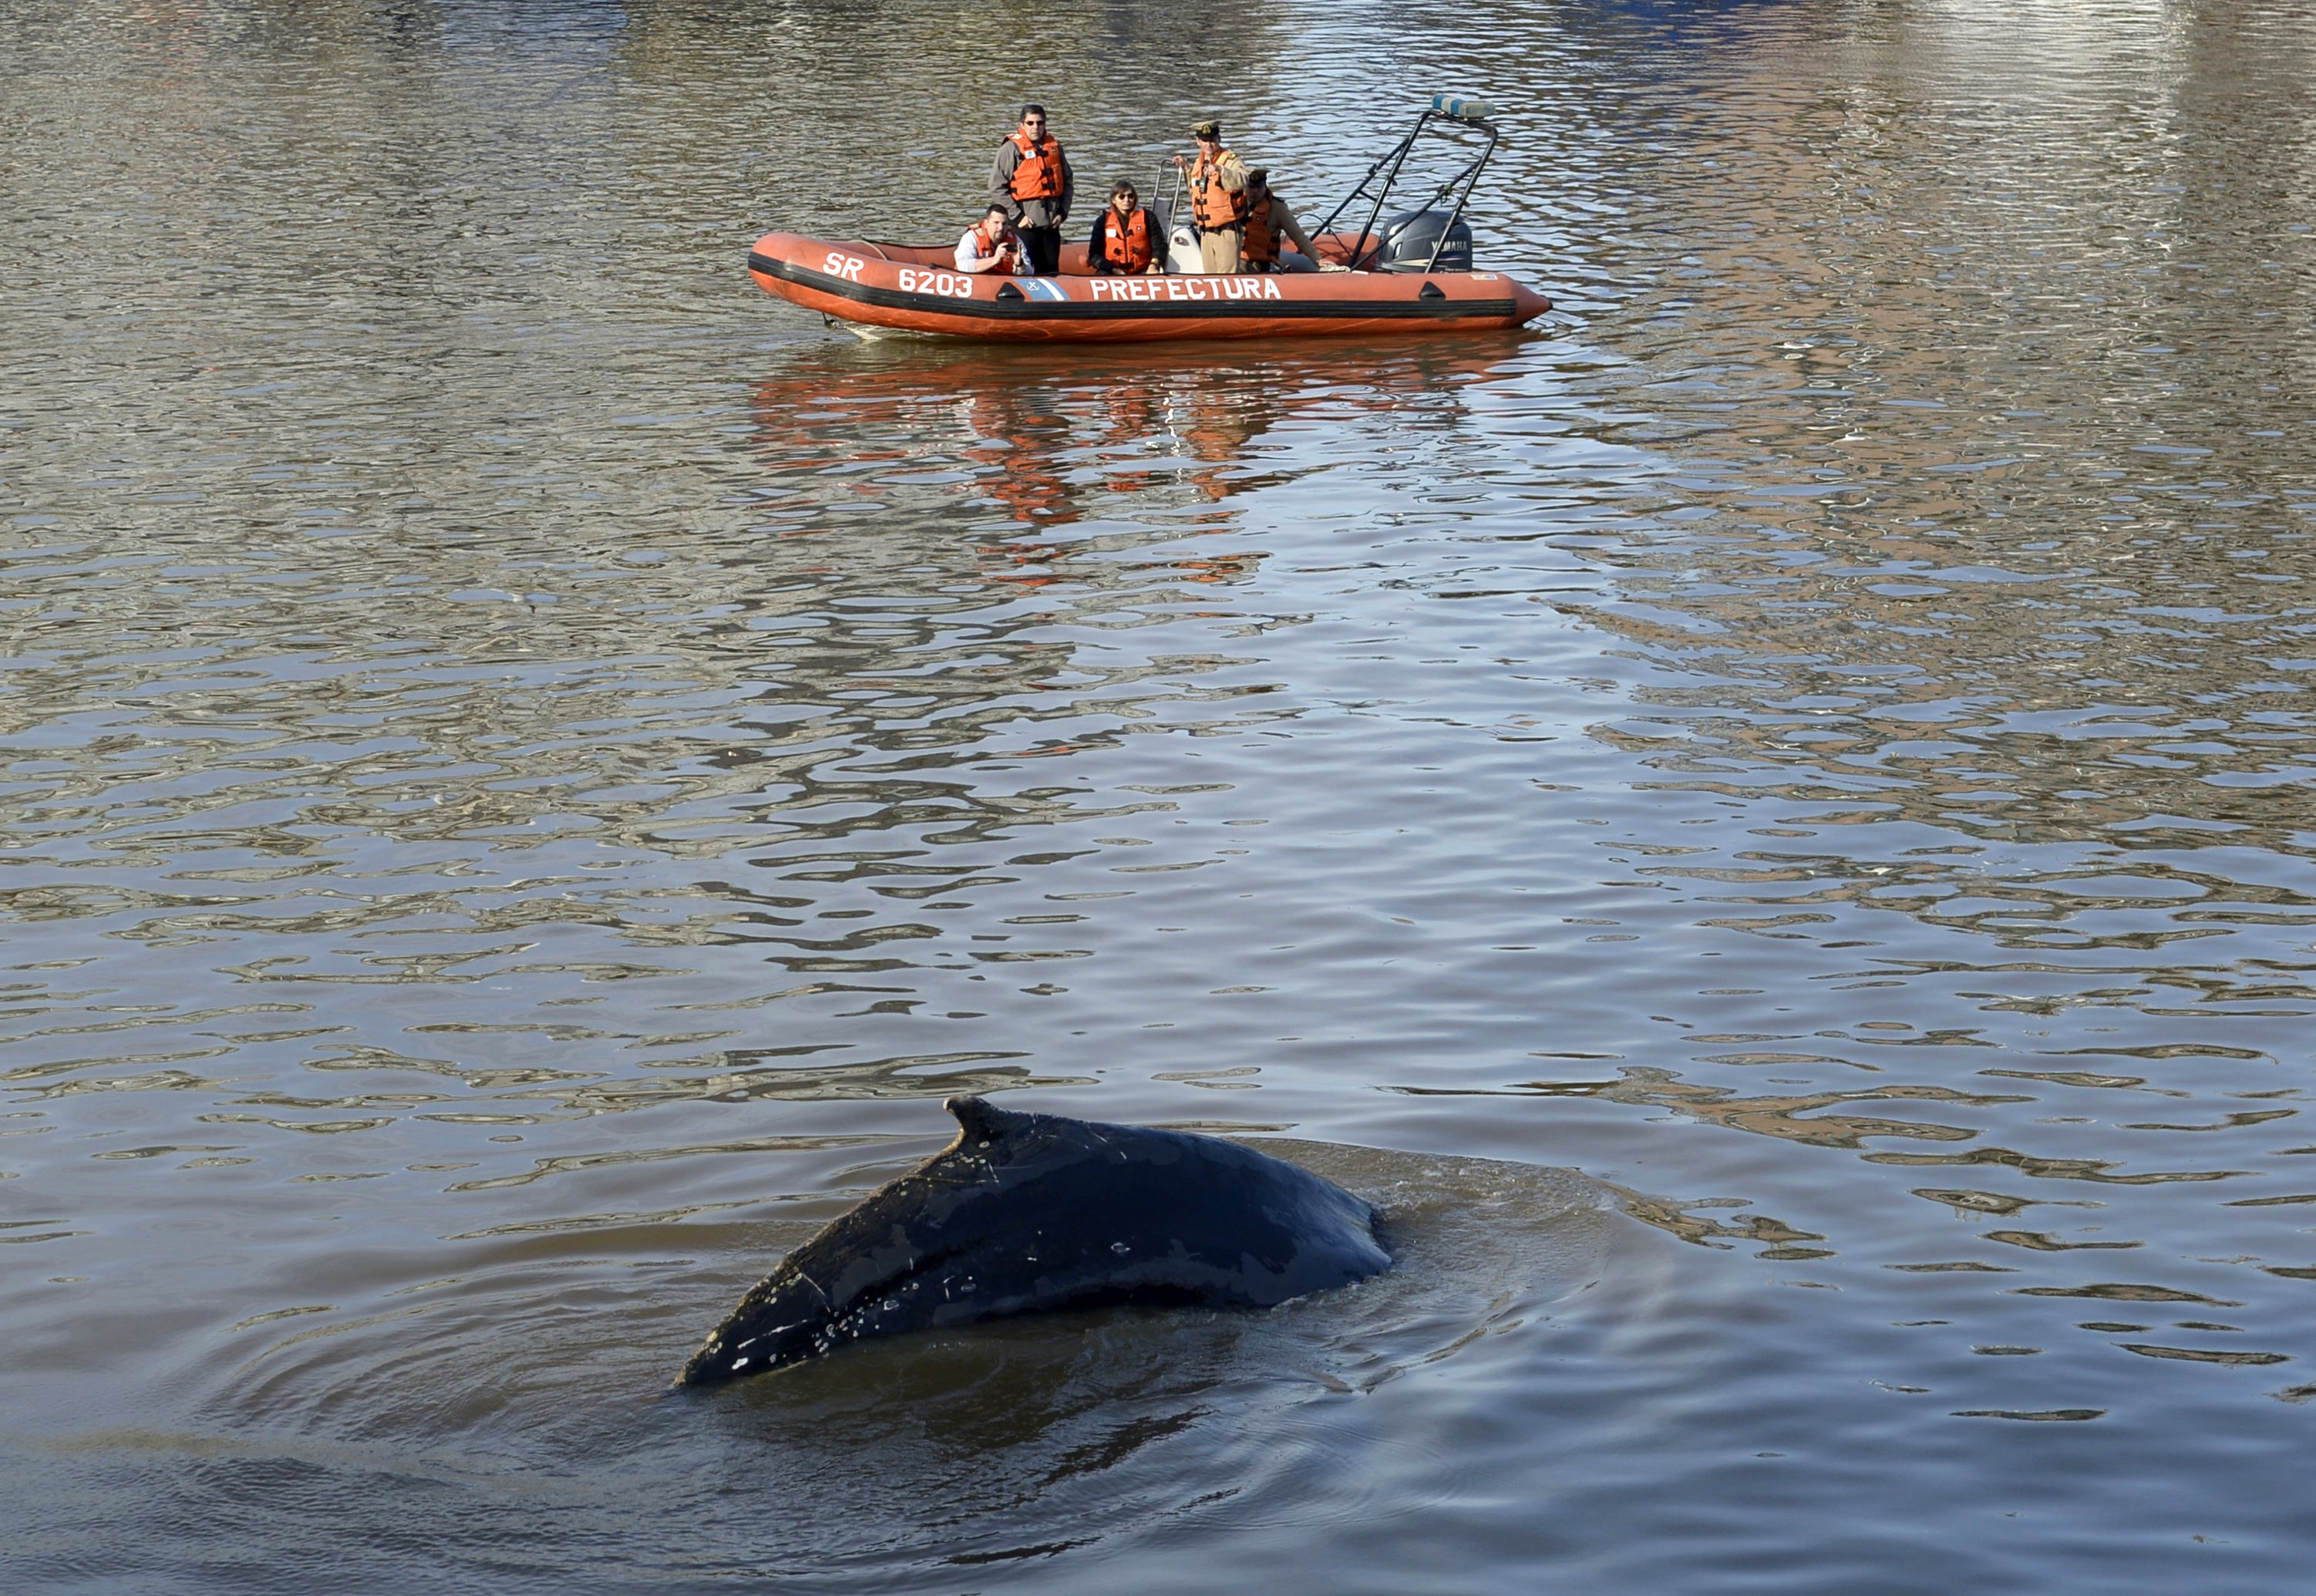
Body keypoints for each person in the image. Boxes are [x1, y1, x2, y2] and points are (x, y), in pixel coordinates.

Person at [988, 103, 1072, 276]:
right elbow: (996, 187)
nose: (1036, 127)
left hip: (1051, 226)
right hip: (1024, 226)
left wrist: (1063, 212)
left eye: (1040, 123)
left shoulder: (1055, 148)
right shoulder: (1010, 149)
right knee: (1025, 271)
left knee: (1051, 271)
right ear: (1022, 124)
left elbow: (1068, 181)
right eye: (1031, 123)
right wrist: (1018, 216)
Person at [1170, 118, 1247, 274]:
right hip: (1206, 232)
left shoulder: (1230, 159)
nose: (1208, 145)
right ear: (1198, 142)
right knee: (1210, 277)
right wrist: (1186, 169)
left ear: (1219, 139)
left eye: (1212, 140)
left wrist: (1221, 171)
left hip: (1226, 231)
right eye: (1204, 141)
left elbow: (1243, 179)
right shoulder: (1199, 163)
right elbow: (1196, 190)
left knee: (1226, 279)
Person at [1239, 168, 1326, 272]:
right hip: (1239, 259)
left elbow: (1298, 236)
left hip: (1265, 264)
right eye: (1251, 187)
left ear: (1265, 187)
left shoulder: (1277, 208)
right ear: (1244, 187)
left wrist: (1317, 259)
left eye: (1259, 187)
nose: (1255, 191)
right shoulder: (1236, 204)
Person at [1088, 178, 1163, 275]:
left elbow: (1159, 246)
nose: (1127, 200)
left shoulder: (1148, 218)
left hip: (1142, 270)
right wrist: (1113, 270)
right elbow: (1094, 255)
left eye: (1130, 196)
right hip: (1111, 271)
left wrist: (1153, 265)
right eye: (1122, 197)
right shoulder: (1102, 221)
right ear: (1114, 200)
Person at [955, 205, 1026, 274]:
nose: (1001, 228)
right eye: (996, 223)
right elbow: (963, 266)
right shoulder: (971, 237)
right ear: (986, 223)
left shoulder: (1016, 241)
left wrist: (1020, 264)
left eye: (1004, 224)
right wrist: (995, 259)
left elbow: (1030, 272)